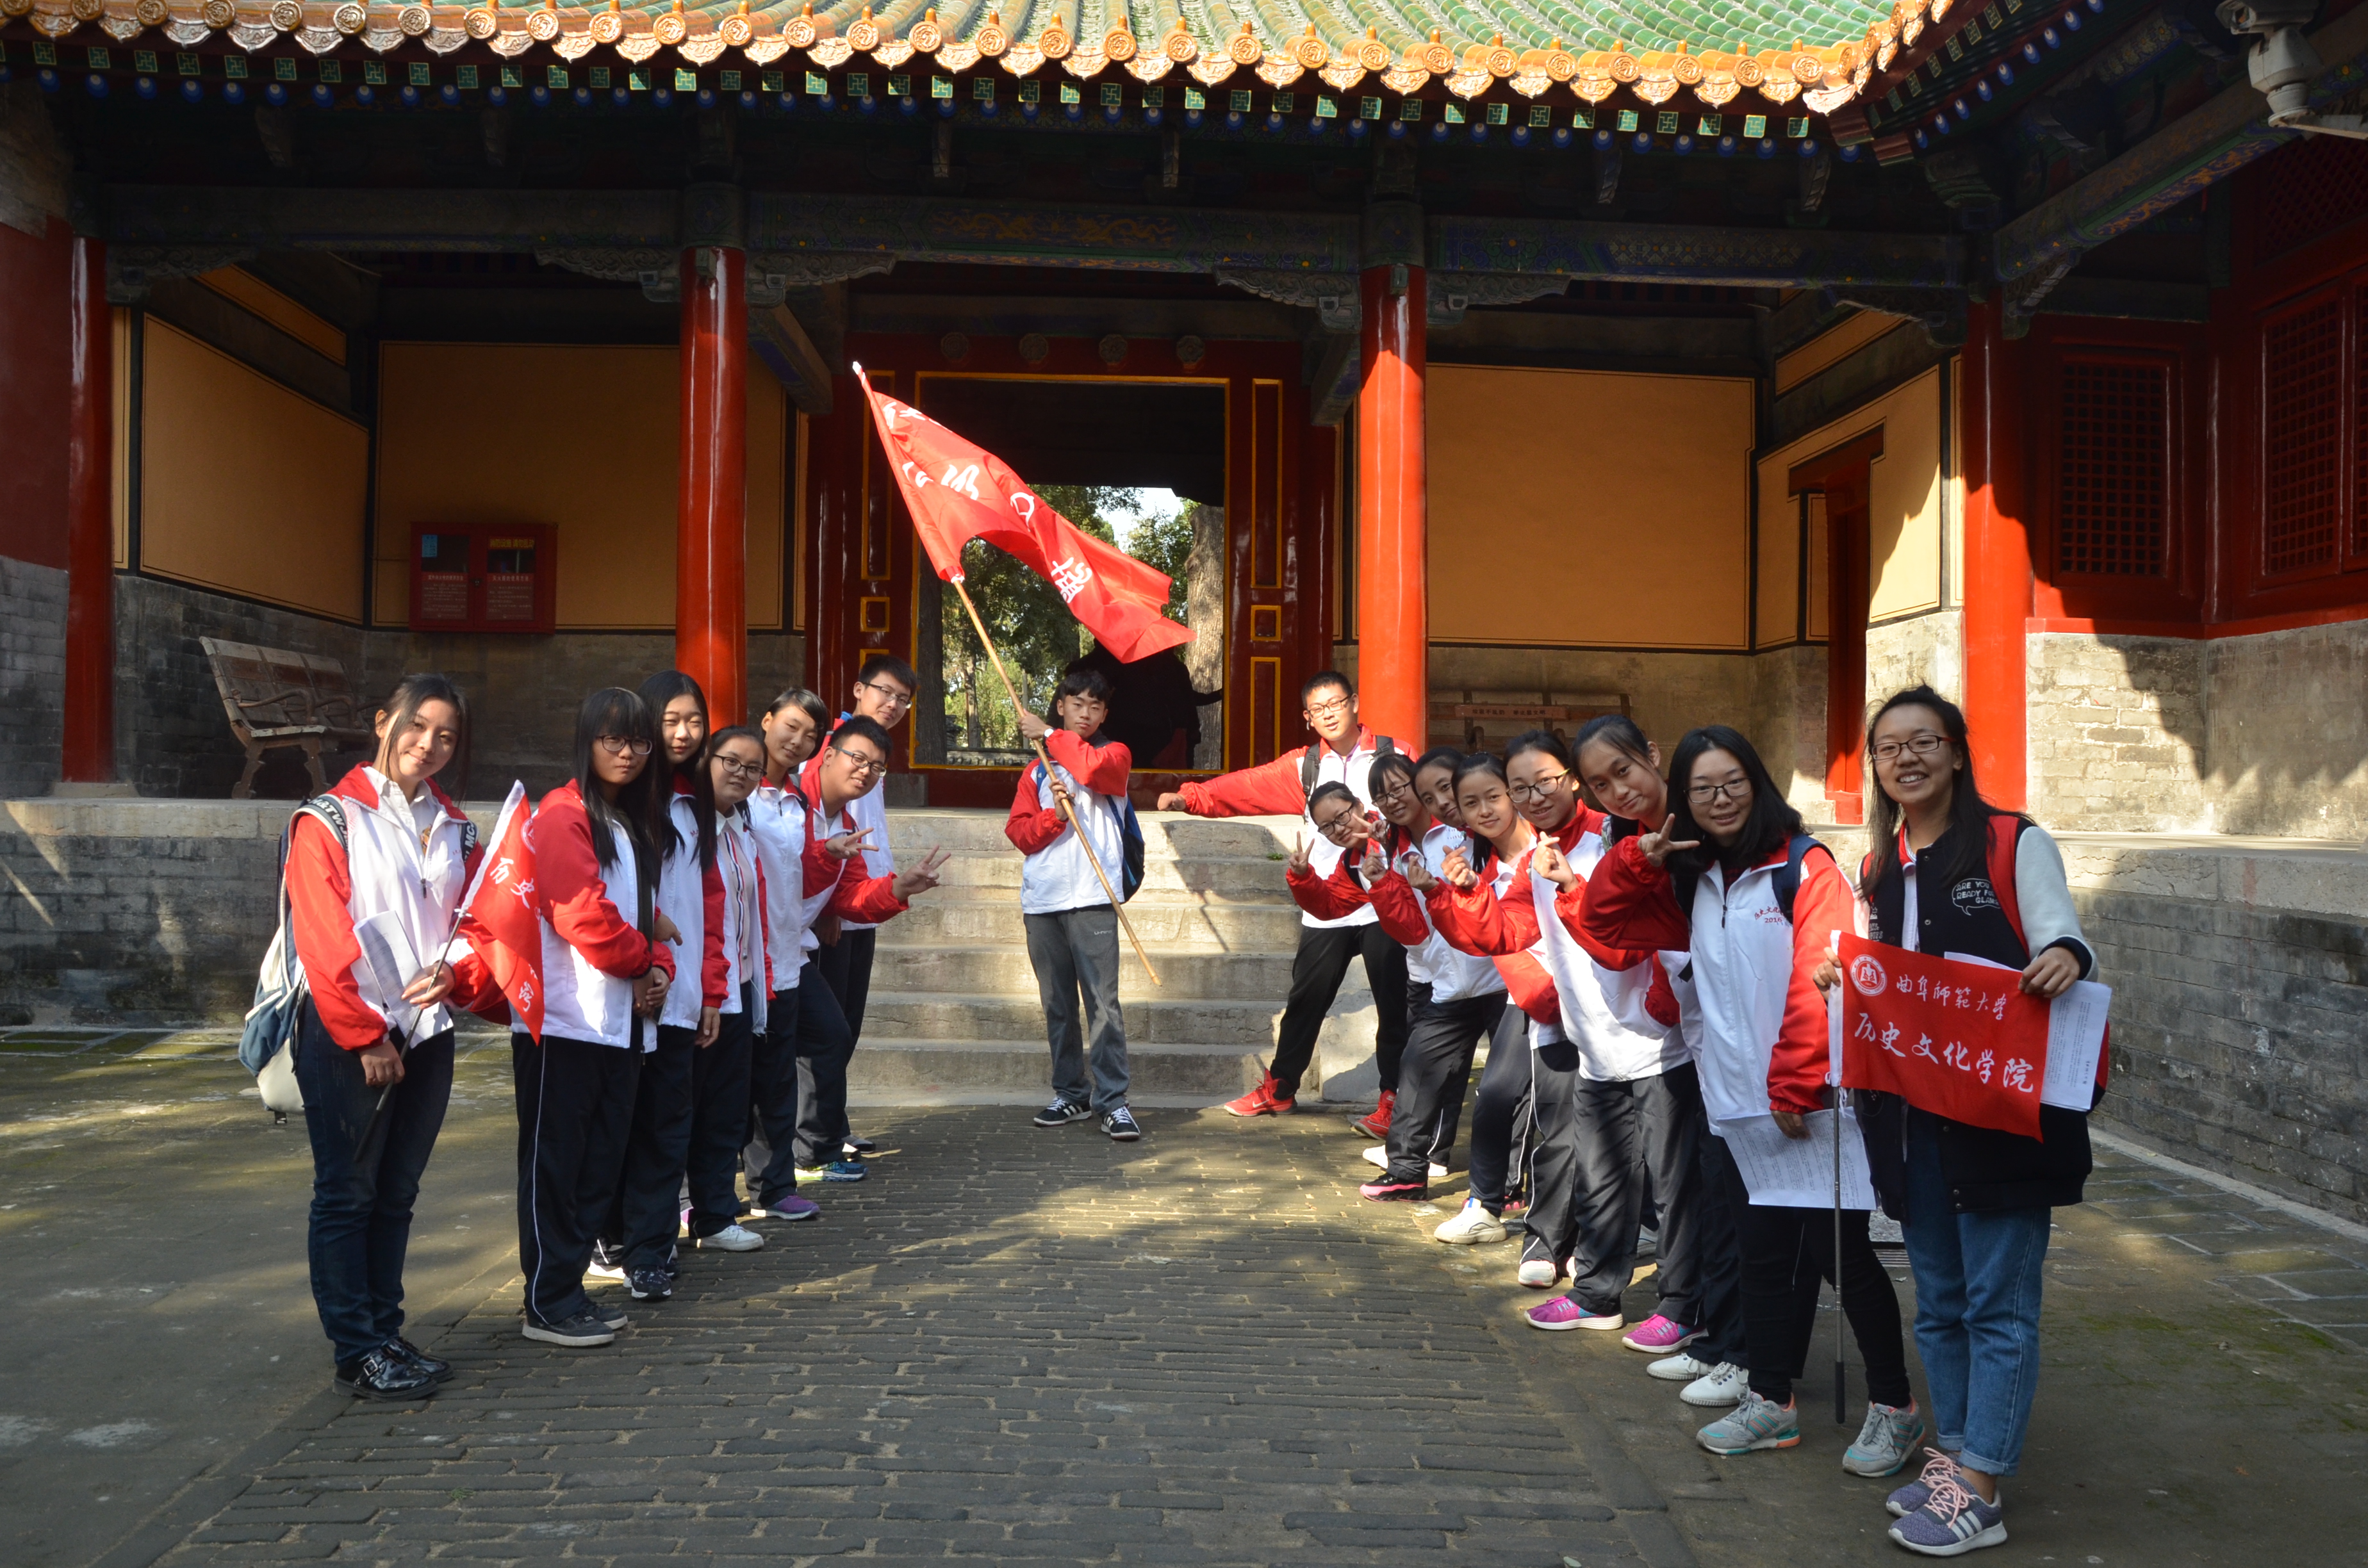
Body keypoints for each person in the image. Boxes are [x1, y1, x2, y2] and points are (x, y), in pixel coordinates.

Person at [1579, 725, 1920, 1474]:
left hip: (1808, 1103)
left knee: (1843, 1259)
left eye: (1732, 782)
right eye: (1702, 789)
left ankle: (1895, 1408)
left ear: (1757, 783)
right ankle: (1770, 1400)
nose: (1720, 799)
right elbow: (1600, 923)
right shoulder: (1693, 878)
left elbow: (1816, 979)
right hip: (1734, 1104)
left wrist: (1795, 1082)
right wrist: (1637, 859)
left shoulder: (1804, 867)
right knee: (1761, 1257)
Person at [1842, 686, 2097, 1558]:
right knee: (1940, 1304)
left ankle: (1982, 1487)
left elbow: (2063, 936)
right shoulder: (1878, 867)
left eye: (1924, 742)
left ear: (1956, 752)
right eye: (1889, 748)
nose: (1906, 758)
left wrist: (2062, 957)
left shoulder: (2011, 841)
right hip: (1914, 1119)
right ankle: (1954, 1461)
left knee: (1998, 1305)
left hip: (2000, 1115)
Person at [285, 674, 495, 1400]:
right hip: (351, 1034)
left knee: (397, 1192)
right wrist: (364, 1035)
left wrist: (459, 974)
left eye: (446, 736)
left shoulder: (457, 827)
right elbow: (323, 939)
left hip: (427, 1029)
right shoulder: (330, 818)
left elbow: (477, 923)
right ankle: (357, 1349)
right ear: (383, 722)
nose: (428, 745)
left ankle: (385, 1330)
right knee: (348, 1192)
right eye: (417, 726)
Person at [1575, 714, 1748, 1408]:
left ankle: (1746, 1354)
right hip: (1707, 1041)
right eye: (1600, 784)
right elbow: (1603, 926)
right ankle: (1720, 1341)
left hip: (1749, 1040)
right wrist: (1637, 861)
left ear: (1652, 754)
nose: (1618, 790)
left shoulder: (1715, 829)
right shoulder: (1636, 847)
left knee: (1743, 1206)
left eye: (1623, 770)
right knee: (1717, 1193)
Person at [1155, 671, 1407, 1127]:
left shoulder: (1395, 755)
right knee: (1305, 1001)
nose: (1329, 715)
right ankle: (1281, 1088)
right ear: (1308, 718)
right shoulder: (1306, 766)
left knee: (1394, 1006)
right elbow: (1247, 787)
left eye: (1336, 704)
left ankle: (1394, 1098)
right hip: (1329, 900)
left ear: (1354, 703)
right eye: (1318, 709)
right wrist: (1190, 798)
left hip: (1386, 899)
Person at [514, 687, 678, 1350]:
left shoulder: (626, 820)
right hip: (567, 1020)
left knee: (597, 1163)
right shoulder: (563, 812)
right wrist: (644, 963)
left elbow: (648, 914)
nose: (628, 753)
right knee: (556, 1166)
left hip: (619, 1022)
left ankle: (568, 1289)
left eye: (639, 741)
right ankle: (547, 1300)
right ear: (586, 741)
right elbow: (581, 914)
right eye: (614, 738)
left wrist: (657, 965)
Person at [592, 673, 743, 1309]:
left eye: (694, 721)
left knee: (665, 1127)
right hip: (622, 991)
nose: (683, 734)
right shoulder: (619, 802)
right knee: (617, 1125)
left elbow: (709, 904)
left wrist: (712, 990)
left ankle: (650, 1253)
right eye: (670, 720)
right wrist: (644, 964)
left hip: (677, 998)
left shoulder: (695, 800)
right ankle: (611, 1236)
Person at [794, 715, 951, 1180]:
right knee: (811, 1039)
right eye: (857, 759)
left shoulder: (843, 821)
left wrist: (898, 888)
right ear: (827, 755)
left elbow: (851, 897)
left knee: (829, 1034)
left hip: (786, 951)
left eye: (876, 767)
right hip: (752, 949)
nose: (865, 772)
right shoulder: (786, 805)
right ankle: (798, 1154)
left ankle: (809, 1152)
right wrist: (825, 855)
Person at [1420, 753, 1565, 1255]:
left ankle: (1578, 1228)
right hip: (1528, 995)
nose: (1484, 810)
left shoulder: (1551, 847)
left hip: (1579, 993)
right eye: (1470, 803)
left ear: (1514, 793)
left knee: (1569, 1114)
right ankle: (1484, 1206)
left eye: (1493, 797)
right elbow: (1479, 938)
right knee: (1496, 1096)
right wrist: (1445, 892)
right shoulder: (1476, 862)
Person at [1009, 662, 1140, 1141]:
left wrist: (1048, 734)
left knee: (1103, 1004)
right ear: (1061, 705)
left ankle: (1113, 1102)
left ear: (1104, 714)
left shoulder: (1114, 754)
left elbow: (1093, 770)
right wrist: (1053, 818)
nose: (1085, 713)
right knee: (1058, 1004)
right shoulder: (1036, 770)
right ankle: (1070, 1093)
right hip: (1043, 901)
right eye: (1076, 704)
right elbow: (1019, 833)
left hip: (1094, 897)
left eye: (1095, 706)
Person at [679, 725, 775, 1259]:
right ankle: (664, 1220)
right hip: (698, 995)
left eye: (752, 768)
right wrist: (710, 993)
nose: (741, 774)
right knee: (684, 1112)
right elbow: (701, 918)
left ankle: (715, 1215)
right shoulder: (686, 826)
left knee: (725, 1112)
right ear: (706, 760)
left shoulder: (740, 828)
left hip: (737, 989)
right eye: (731, 762)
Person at [742, 687, 832, 1221]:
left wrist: (829, 856)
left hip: (785, 955)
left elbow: (796, 879)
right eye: (790, 726)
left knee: (778, 1079)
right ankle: (695, 1195)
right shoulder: (738, 794)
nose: (797, 741)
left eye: (810, 736)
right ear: (767, 719)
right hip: (739, 961)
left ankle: (773, 1188)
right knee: (728, 1084)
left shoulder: (799, 803)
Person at [814, 653, 919, 1092]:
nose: (893, 704)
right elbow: (820, 831)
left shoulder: (876, 754)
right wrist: (827, 908)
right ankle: (818, 1119)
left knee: (849, 1021)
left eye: (903, 699)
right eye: (884, 692)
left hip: (866, 904)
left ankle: (832, 1115)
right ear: (859, 690)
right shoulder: (832, 750)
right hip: (836, 912)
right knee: (829, 1027)